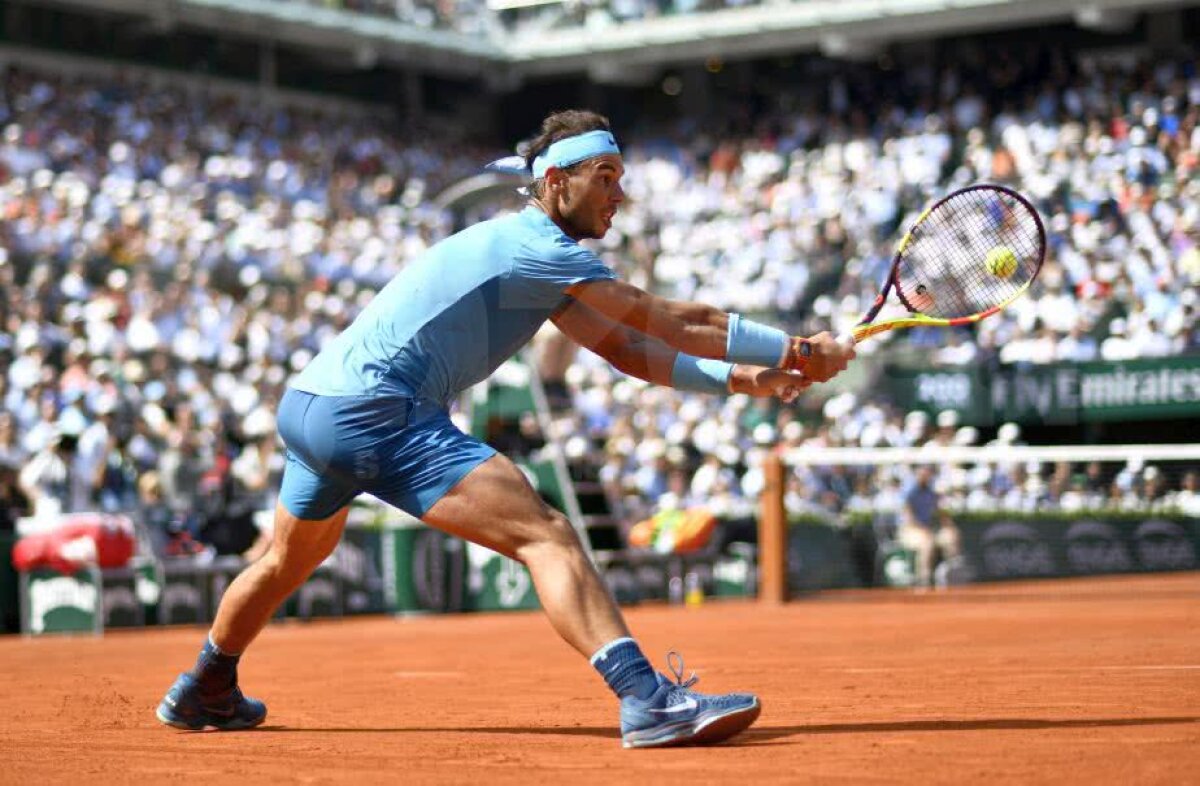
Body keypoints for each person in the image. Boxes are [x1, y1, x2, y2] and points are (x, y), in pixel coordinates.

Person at [155, 110, 855, 748]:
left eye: (621, 179)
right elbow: (673, 320)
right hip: (377, 411)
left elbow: (626, 349)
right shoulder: (542, 249)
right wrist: (793, 350)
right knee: (545, 534)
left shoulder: (532, 255)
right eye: (604, 177)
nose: (618, 195)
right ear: (556, 183)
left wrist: (742, 378)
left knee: (286, 560)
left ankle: (205, 686)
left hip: (311, 403)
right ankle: (647, 700)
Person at [898, 466, 961, 589]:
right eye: (921, 475)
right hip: (911, 531)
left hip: (930, 531)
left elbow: (942, 515)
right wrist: (924, 530)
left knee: (950, 536)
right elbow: (909, 518)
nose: (924, 477)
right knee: (927, 543)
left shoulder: (932, 493)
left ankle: (950, 574)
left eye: (927, 475)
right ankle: (924, 580)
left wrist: (948, 526)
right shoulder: (909, 493)